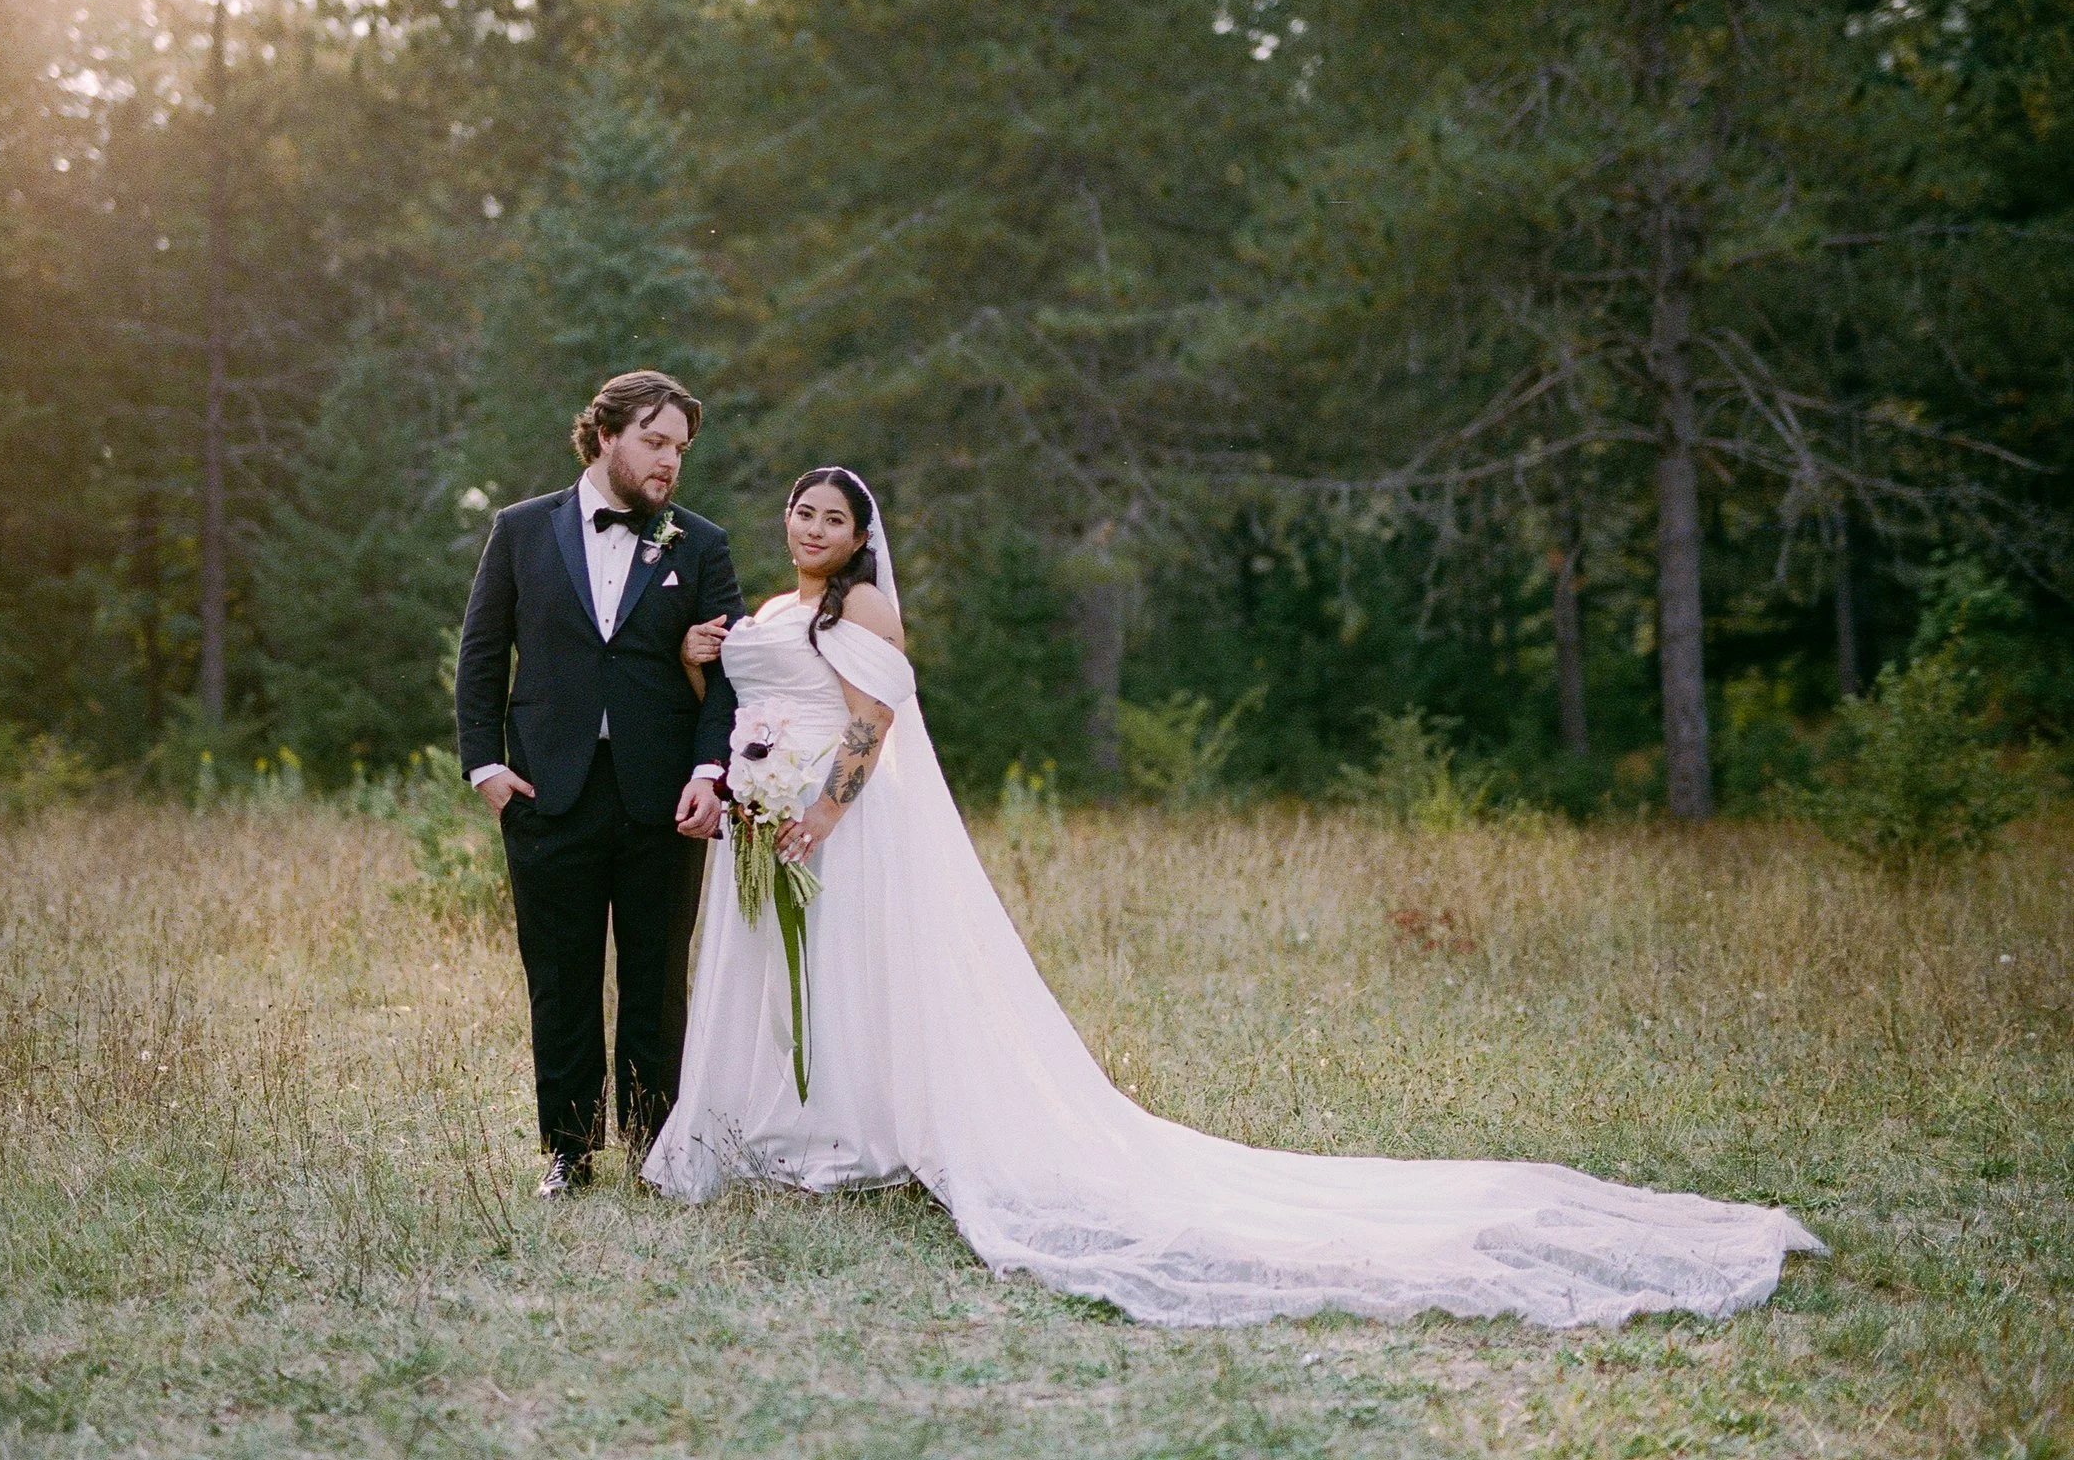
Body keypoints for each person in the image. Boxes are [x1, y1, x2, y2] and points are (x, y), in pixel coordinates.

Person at [642, 466, 1824, 1327]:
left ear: (859, 538)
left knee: (856, 973)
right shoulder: (773, 612)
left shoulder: (861, 611)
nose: (809, 526)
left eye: (831, 516)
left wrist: (821, 811)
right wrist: (715, 685)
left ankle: (871, 1135)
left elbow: (872, 725)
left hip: (831, 822)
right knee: (783, 975)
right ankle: (795, 1134)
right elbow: (750, 695)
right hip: (761, 810)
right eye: (800, 509)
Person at [454, 372, 745, 1197]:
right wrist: (486, 767)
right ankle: (569, 1151)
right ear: (607, 434)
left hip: (665, 799)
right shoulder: (520, 530)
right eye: (656, 441)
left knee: (657, 980)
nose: (669, 463)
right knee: (561, 971)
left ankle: (657, 1151)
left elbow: (730, 675)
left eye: (680, 449)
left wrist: (709, 773)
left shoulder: (703, 543)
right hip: (548, 793)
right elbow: (482, 656)